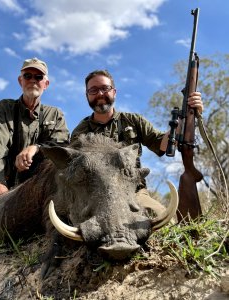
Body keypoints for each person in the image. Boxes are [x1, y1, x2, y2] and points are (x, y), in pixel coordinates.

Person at [71, 69, 204, 213]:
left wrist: (186, 118)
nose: (100, 94)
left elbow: (161, 144)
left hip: (135, 191)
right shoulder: (80, 132)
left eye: (105, 88)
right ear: (87, 96)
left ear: (114, 92)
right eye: (93, 90)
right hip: (95, 194)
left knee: (162, 219)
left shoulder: (133, 120)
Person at [0, 58, 70, 197]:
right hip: (8, 188)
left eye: (38, 77)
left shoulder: (55, 114)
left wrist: (36, 148)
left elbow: (61, 145)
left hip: (45, 190)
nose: (33, 80)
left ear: (46, 84)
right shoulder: (2, 109)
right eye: (27, 76)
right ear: (20, 81)